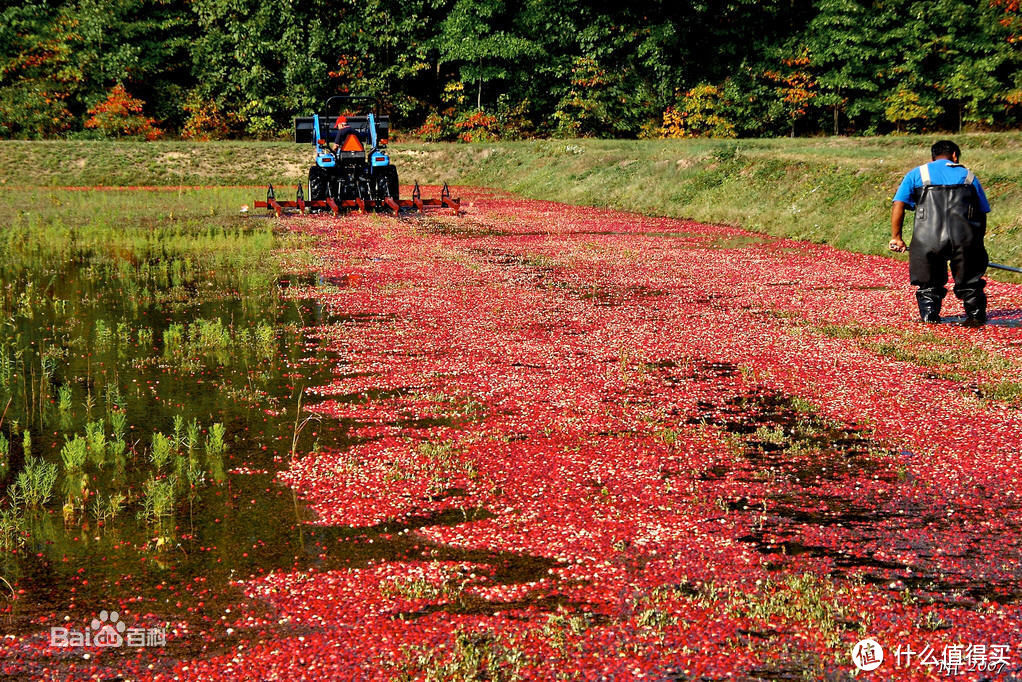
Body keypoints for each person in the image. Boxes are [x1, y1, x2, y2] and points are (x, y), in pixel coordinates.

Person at [890, 140, 991, 326]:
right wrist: (977, 241)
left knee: (928, 284)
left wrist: (897, 237)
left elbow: (899, 204)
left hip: (927, 238)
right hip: (965, 238)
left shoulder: (917, 174)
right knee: (970, 281)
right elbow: (982, 211)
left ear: (932, 156)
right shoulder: (968, 176)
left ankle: (930, 319)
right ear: (954, 155)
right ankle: (976, 317)